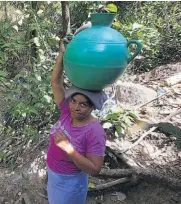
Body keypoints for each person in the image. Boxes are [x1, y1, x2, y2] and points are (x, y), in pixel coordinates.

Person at [46, 37, 108, 204]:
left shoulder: (94, 132)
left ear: (92, 107)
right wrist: (61, 56)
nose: (76, 107)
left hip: (70, 183)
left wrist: (69, 148)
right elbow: (55, 83)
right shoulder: (67, 111)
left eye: (83, 104)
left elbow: (95, 169)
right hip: (54, 176)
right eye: (74, 101)